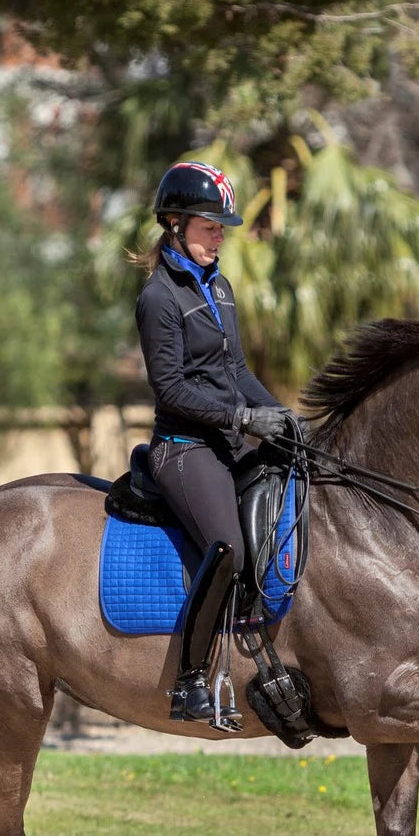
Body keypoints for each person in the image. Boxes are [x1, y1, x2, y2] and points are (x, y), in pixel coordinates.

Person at [135, 160, 294, 723]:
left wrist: (282, 416)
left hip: (227, 442)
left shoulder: (219, 287)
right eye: (210, 227)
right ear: (174, 224)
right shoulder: (160, 298)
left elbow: (237, 370)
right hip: (184, 447)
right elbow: (171, 389)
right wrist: (244, 417)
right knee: (227, 546)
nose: (219, 237)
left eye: (221, 228)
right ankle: (189, 681)